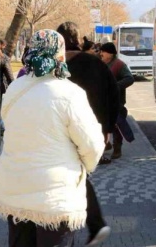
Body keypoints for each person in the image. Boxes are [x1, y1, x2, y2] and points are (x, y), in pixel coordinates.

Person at [0, 29, 104, 247]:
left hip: (15, 189)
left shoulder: (15, 88)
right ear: (60, 55)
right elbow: (92, 144)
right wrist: (84, 167)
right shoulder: (69, 93)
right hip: (54, 197)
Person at [56, 21, 118, 245]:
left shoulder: (56, 65)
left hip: (64, 129)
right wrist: (108, 128)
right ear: (79, 38)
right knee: (77, 172)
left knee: (74, 172)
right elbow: (114, 95)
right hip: (94, 129)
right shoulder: (96, 63)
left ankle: (89, 224)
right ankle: (92, 224)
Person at [99, 42, 134, 159]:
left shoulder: (119, 65)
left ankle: (117, 147)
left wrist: (115, 86)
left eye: (103, 51)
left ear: (110, 53)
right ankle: (106, 144)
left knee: (117, 126)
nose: (101, 53)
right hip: (102, 102)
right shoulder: (101, 63)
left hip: (116, 102)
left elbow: (129, 78)